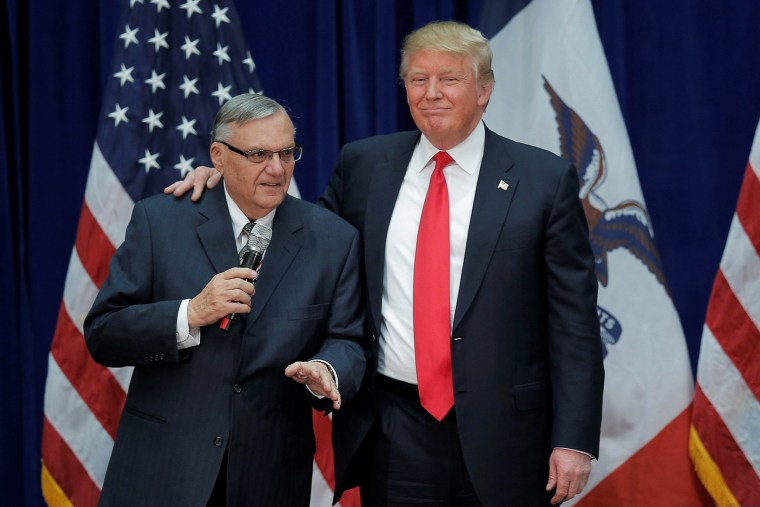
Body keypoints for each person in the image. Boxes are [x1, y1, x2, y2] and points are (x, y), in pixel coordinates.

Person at [168, 21, 604, 507]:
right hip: (394, 426)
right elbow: (298, 243)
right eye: (418, 80)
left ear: (484, 90)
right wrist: (231, 179)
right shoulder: (364, 165)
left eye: (449, 79)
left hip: (510, 432)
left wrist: (574, 439)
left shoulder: (543, 179)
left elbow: (574, 324)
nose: (431, 92)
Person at [85, 93, 366, 507]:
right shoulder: (159, 221)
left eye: (287, 153)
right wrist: (191, 313)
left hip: (269, 476)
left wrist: (327, 368)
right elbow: (103, 334)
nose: (276, 169)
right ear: (218, 155)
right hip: (164, 469)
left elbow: (350, 340)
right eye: (258, 154)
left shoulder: (333, 240)